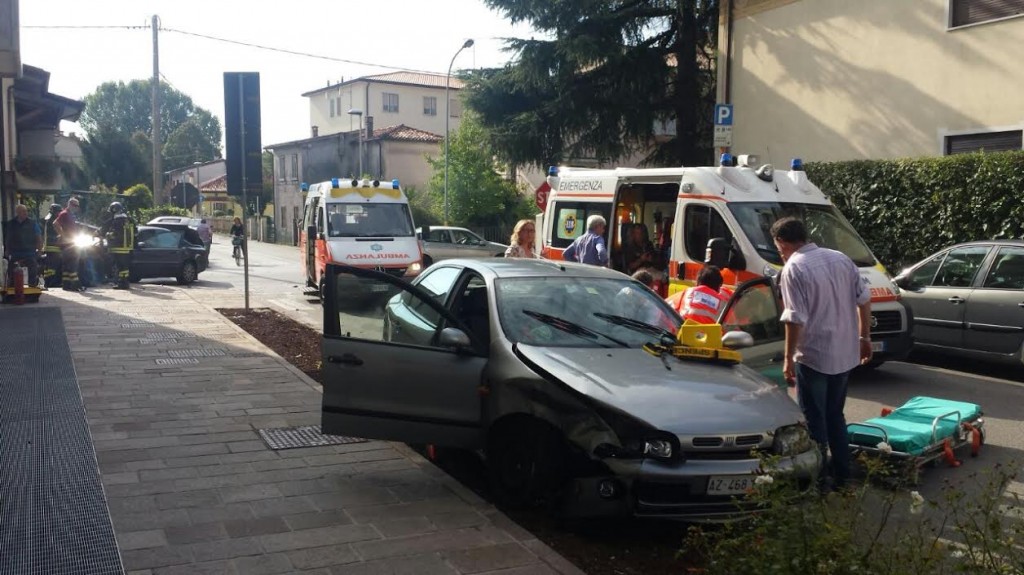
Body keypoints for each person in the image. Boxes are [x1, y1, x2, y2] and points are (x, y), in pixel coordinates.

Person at [771, 216, 871, 492]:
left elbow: (794, 318)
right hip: (845, 353)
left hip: (814, 356)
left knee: (815, 421)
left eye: (778, 248)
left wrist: (788, 357)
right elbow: (864, 299)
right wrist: (865, 337)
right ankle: (843, 476)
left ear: (782, 242)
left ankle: (818, 480)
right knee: (835, 416)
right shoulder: (840, 258)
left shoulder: (793, 268)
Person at [3, 204, 43, 288]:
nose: (26, 213)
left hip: (29, 252)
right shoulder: (11, 224)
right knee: (11, 269)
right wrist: (7, 250)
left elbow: (38, 238)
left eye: (26, 211)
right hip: (15, 252)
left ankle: (32, 286)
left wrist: (39, 251)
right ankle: (12, 287)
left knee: (33, 267)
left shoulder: (32, 223)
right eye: (23, 211)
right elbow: (8, 238)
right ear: (17, 212)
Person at [97, 202, 134, 289]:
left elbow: (110, 232)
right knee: (124, 267)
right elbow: (135, 233)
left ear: (114, 210)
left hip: (118, 247)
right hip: (127, 247)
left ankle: (122, 283)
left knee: (119, 266)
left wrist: (105, 235)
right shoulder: (129, 220)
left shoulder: (116, 221)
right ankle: (124, 283)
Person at [53, 197, 83, 291]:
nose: (76, 207)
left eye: (77, 206)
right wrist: (63, 235)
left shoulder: (71, 215)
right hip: (69, 243)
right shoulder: (65, 214)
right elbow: (55, 223)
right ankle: (75, 285)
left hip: (71, 242)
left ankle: (66, 285)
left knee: (67, 264)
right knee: (72, 263)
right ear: (70, 204)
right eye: (75, 205)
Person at [41, 204, 63, 287]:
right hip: (54, 246)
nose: (59, 213)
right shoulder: (54, 220)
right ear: (54, 212)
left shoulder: (47, 219)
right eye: (58, 211)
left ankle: (48, 281)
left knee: (49, 266)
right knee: (54, 266)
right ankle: (54, 282)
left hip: (48, 246)